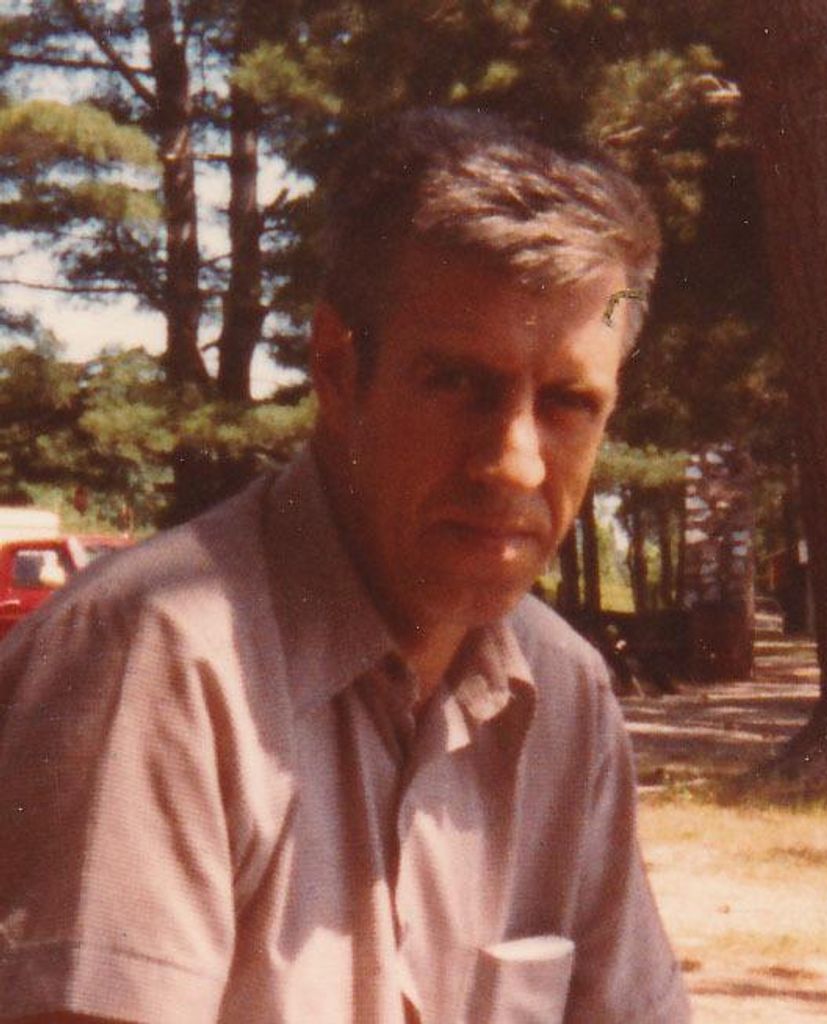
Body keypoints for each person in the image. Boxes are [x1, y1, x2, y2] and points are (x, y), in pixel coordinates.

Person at [0, 108, 690, 1023]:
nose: (516, 463)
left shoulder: (564, 695)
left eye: (567, 402)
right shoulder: (156, 664)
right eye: (459, 384)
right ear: (335, 367)